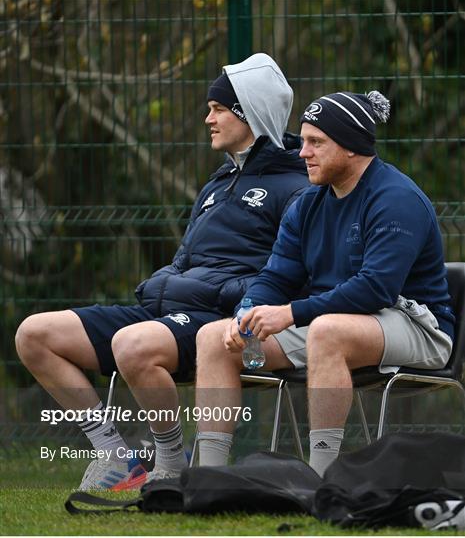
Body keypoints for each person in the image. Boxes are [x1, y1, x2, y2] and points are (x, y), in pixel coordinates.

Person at [15, 53, 309, 489]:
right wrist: (163, 281)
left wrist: (216, 293)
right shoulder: (218, 181)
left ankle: (171, 462)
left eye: (218, 108)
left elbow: (287, 277)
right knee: (35, 335)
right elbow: (188, 257)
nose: (207, 118)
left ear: (248, 113)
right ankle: (114, 455)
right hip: (167, 310)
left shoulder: (296, 188)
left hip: (215, 320)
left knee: (132, 346)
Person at [195, 89, 455, 477]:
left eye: (316, 142)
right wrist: (246, 313)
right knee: (213, 339)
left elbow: (376, 289)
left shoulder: (396, 198)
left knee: (327, 332)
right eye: (303, 142)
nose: (303, 153)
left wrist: (290, 313)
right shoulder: (308, 202)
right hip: (334, 321)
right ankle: (208, 475)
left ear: (351, 146)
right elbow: (277, 275)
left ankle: (321, 479)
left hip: (417, 325)